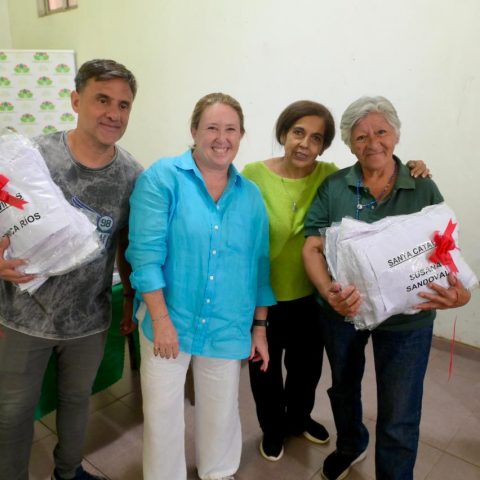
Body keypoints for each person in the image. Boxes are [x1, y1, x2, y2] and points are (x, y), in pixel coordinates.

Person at [243, 100, 429, 462]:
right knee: (264, 368)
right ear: (283, 133)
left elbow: (376, 163)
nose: (305, 144)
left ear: (325, 146)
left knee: (306, 369)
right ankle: (273, 429)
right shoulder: (252, 174)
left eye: (316, 138)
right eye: (298, 132)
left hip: (312, 294)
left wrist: (413, 166)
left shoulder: (329, 176)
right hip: (261, 294)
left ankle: (298, 419)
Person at [303, 96, 471, 480]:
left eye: (381, 132)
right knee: (343, 388)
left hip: (407, 322)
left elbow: (445, 249)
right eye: (361, 136)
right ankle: (351, 445)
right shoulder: (335, 186)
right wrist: (329, 292)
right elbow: (312, 245)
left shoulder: (422, 185)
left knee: (400, 411)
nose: (372, 143)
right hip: (343, 313)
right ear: (350, 143)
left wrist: (461, 292)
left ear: (396, 134)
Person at [0, 59, 143, 480]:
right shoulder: (32, 156)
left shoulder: (132, 176)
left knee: (78, 402)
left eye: (123, 105)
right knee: (11, 412)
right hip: (21, 317)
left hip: (87, 320)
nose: (113, 114)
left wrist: (129, 297)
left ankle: (68, 473)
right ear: (76, 100)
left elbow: (125, 244)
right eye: (102, 100)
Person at [126, 92, 275, 480]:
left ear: (241, 135)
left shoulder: (250, 195)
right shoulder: (162, 179)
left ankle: (218, 471)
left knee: (221, 409)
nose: (221, 138)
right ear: (194, 131)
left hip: (227, 322)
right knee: (162, 413)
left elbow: (260, 266)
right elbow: (145, 257)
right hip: (168, 319)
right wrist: (161, 321)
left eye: (231, 129)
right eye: (212, 127)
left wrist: (260, 328)